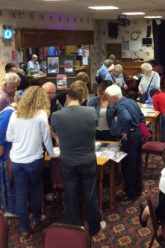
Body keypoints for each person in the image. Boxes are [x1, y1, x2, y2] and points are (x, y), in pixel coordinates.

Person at [51, 83, 105, 242]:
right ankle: (95, 227)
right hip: (88, 159)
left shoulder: (57, 115)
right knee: (90, 195)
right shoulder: (91, 112)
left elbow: (55, 133)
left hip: (68, 161)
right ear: (82, 99)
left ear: (67, 97)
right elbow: (93, 129)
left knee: (71, 195)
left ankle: (73, 228)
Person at [6, 86, 55, 237]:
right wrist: (52, 155)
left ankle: (24, 228)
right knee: (35, 189)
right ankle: (37, 217)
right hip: (34, 160)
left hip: (16, 161)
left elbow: (9, 137)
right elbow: (47, 139)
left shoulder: (15, 114)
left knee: (21, 192)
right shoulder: (41, 115)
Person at [106, 84, 145, 201]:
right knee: (136, 163)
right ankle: (137, 190)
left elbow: (127, 119)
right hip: (137, 135)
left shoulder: (120, 106)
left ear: (114, 98)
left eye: (108, 98)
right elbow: (141, 117)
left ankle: (130, 193)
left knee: (128, 166)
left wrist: (124, 132)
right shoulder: (131, 101)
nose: (107, 101)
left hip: (130, 137)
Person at [0, 91, 23, 217]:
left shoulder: (10, 113)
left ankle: (13, 210)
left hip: (9, 157)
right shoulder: (10, 112)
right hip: (8, 156)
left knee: (12, 186)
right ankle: (12, 210)